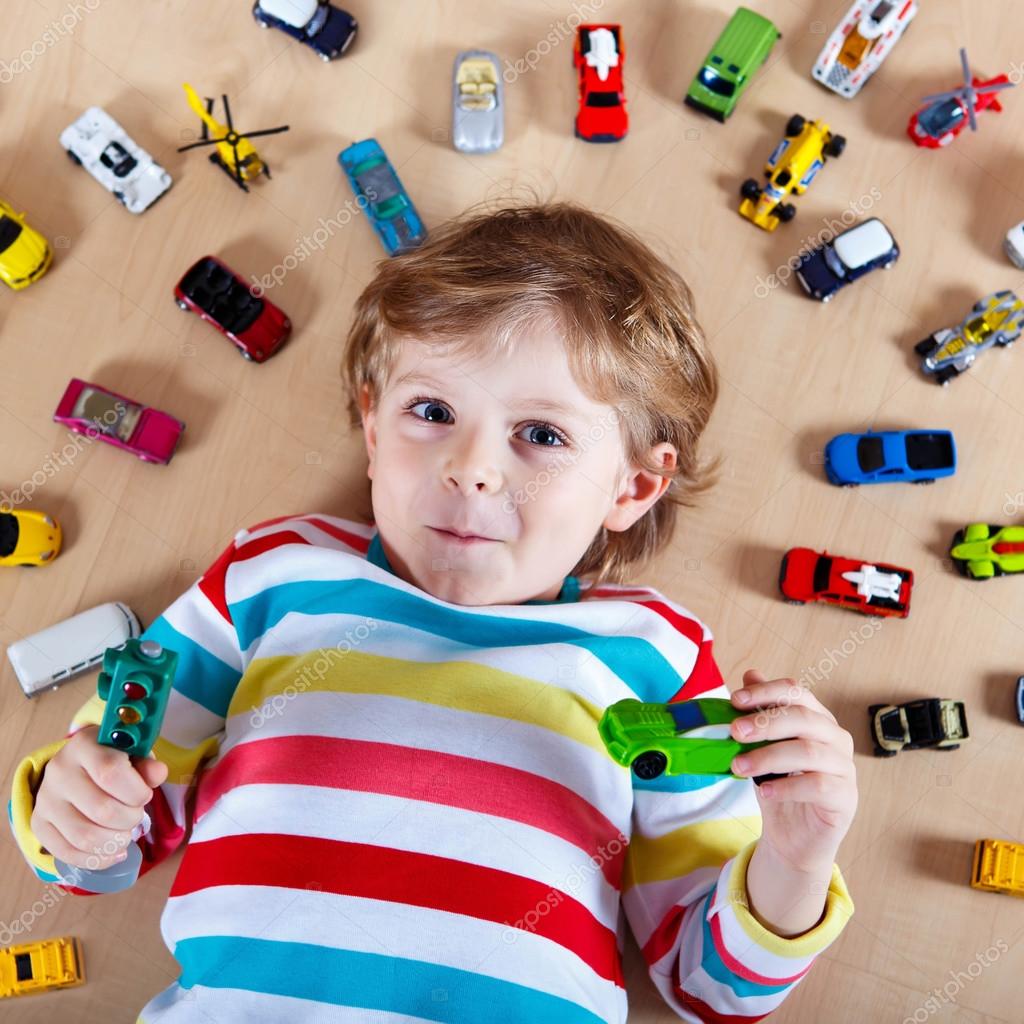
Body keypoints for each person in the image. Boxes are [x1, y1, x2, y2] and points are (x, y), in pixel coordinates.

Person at [11, 201, 856, 1023]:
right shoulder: (273, 573)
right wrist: (77, 810)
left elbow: (712, 989)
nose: (472, 468)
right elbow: (107, 830)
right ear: (374, 428)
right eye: (433, 412)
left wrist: (795, 859)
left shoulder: (655, 656)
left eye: (543, 435)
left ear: (633, 486)